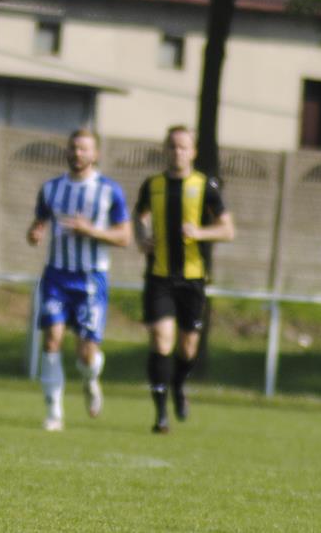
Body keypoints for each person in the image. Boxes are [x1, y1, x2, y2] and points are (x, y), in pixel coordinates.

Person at [26, 128, 130, 431]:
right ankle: (54, 412)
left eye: (84, 149)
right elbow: (38, 224)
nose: (77, 153)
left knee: (85, 354)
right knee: (52, 339)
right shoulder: (51, 189)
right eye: (73, 148)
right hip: (56, 276)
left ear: (95, 154)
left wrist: (93, 231)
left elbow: (124, 237)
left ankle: (91, 379)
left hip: (91, 280)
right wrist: (35, 233)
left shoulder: (109, 191)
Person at [133, 125, 236, 433]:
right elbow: (138, 217)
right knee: (161, 338)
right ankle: (161, 414)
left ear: (193, 152)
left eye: (183, 147)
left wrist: (200, 232)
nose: (177, 152)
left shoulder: (206, 187)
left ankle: (179, 384)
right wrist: (141, 238)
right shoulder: (152, 185)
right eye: (172, 146)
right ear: (165, 150)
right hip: (159, 277)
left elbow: (228, 230)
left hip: (192, 279)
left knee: (188, 348)